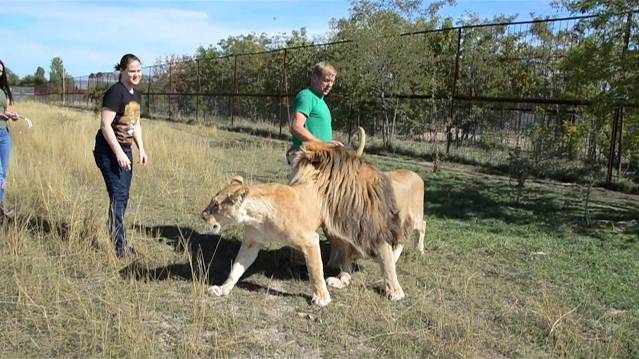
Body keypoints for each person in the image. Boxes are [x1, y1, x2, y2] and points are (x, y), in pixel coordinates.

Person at [93, 54, 148, 259]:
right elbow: (105, 126)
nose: (136, 74)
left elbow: (136, 125)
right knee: (119, 196)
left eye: (139, 71)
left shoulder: (136, 95)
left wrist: (141, 149)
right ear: (122, 71)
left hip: (125, 150)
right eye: (132, 71)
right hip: (108, 151)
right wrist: (117, 152)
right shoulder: (116, 92)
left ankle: (116, 237)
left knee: (122, 197)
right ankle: (119, 247)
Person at [287, 62, 342, 164]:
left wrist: (328, 144)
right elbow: (296, 127)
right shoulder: (307, 97)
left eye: (332, 81)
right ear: (314, 78)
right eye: (326, 80)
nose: (330, 85)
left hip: (320, 159)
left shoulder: (321, 101)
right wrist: (321, 144)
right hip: (307, 158)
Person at [0, 59, 20, 224]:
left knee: (4, 173)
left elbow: (5, 111)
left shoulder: (3, 91)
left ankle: (1, 208)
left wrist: (11, 115)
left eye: (1, 71)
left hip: (4, 134)